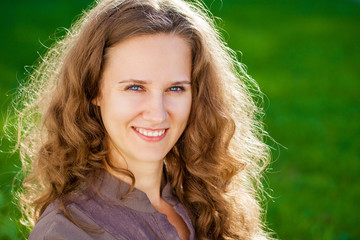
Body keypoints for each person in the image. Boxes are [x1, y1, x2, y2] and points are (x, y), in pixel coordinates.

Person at [14, 0, 272, 239]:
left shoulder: (209, 199)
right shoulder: (67, 230)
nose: (157, 114)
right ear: (93, 89)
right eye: (135, 87)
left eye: (176, 88)